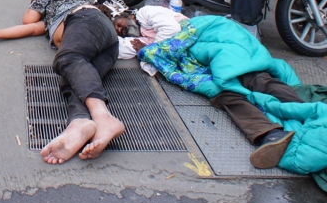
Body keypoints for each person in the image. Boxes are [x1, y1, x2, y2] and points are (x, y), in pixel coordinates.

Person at [113, 9, 299, 169]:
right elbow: (125, 51)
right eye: (119, 32)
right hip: (196, 60)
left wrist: (153, 49)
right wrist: (143, 47)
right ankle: (269, 134)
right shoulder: (140, 39)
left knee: (250, 75)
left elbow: (173, 31)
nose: (121, 30)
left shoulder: (147, 13)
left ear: (127, 15)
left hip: (211, 35)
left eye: (119, 24)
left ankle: (302, 107)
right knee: (223, 94)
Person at [0, 0, 126, 164]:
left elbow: (28, 20)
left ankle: (103, 118)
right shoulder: (51, 22)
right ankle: (80, 122)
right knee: (75, 79)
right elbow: (29, 29)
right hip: (108, 45)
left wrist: (36, 5)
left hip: (88, 20)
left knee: (67, 58)